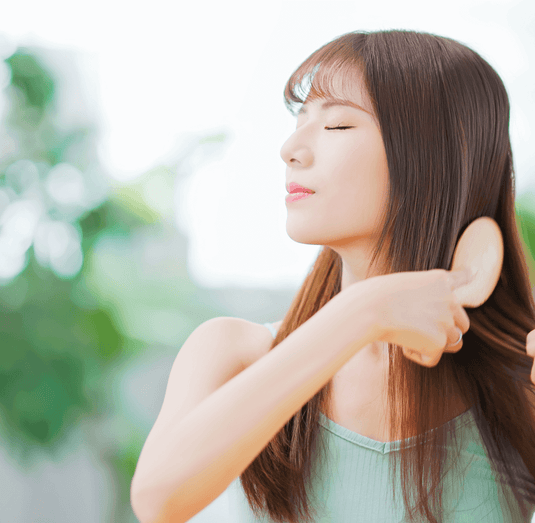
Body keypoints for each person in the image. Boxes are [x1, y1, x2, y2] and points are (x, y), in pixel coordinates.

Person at [131, 29, 535, 523]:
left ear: (433, 155)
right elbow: (157, 500)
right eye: (300, 120)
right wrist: (365, 311)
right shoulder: (232, 352)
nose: (290, 148)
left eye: (337, 124)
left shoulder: (518, 391)